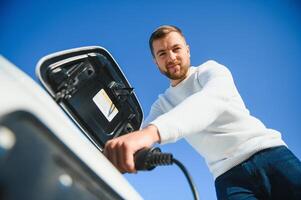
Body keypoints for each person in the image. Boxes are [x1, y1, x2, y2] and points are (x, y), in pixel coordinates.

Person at [104, 25, 301, 199]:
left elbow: (211, 101)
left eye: (176, 49)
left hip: (270, 155)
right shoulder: (162, 105)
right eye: (162, 53)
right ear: (156, 62)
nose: (171, 57)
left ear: (188, 50)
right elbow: (136, 139)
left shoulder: (211, 71)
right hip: (229, 178)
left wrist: (151, 133)